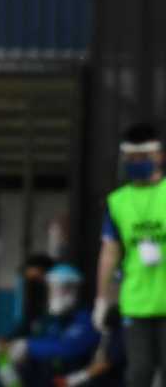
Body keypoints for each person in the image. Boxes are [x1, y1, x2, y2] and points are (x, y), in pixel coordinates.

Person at [95, 122, 166, 387]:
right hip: (136, 304)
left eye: (142, 157)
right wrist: (102, 299)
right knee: (139, 373)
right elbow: (109, 254)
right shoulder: (117, 202)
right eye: (131, 158)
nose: (136, 163)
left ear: (159, 156)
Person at [0, 264, 101, 386]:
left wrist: (27, 346)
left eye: (62, 289)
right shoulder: (50, 320)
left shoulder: (88, 319)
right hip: (42, 379)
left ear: (75, 290)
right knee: (1, 360)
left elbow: (69, 348)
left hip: (71, 380)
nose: (56, 294)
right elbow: (36, 341)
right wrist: (2, 349)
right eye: (52, 289)